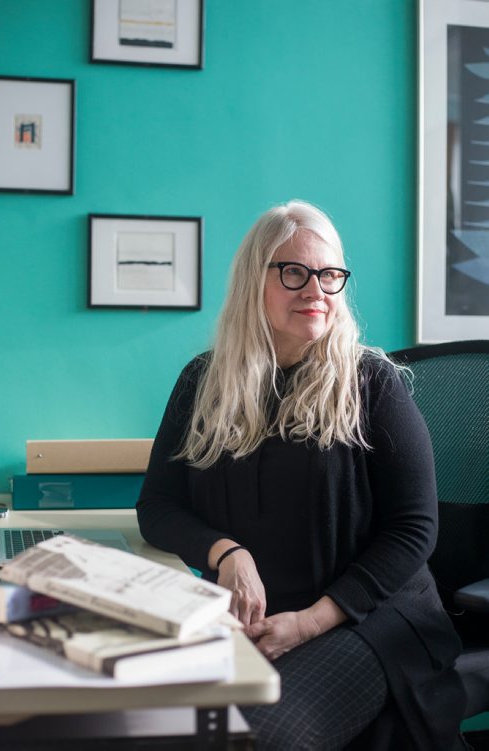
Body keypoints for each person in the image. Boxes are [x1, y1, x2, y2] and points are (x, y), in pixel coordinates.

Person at [137, 200, 467, 750]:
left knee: (253, 737)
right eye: (294, 272)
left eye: (330, 275)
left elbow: (414, 528)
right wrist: (226, 552)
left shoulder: (373, 383)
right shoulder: (203, 382)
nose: (316, 289)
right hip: (253, 623)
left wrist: (311, 622)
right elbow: (158, 506)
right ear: (253, 282)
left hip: (368, 619)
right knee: (130, 721)